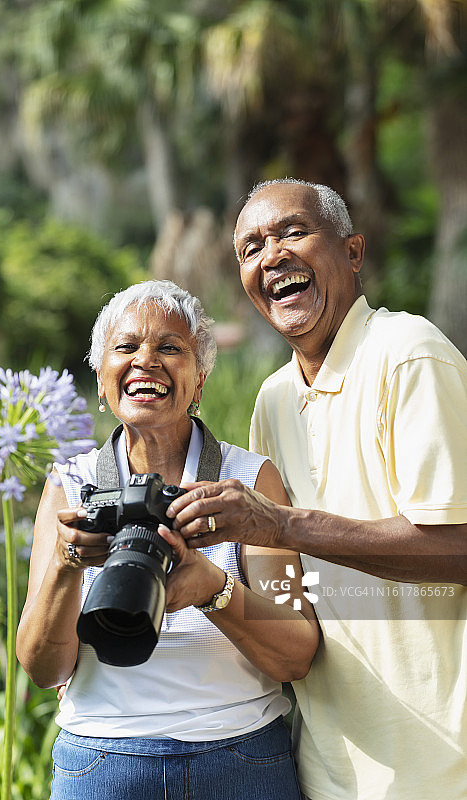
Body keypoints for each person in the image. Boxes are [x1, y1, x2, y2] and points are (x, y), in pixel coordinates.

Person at [166, 178, 467, 800]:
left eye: (293, 233)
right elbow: (285, 588)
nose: (271, 256)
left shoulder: (409, 353)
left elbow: (458, 548)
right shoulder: (274, 397)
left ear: (353, 252)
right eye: (251, 248)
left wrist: (279, 525)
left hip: (441, 765)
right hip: (328, 769)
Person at [16, 279, 320, 800]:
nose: (146, 361)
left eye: (170, 348)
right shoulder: (70, 486)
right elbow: (43, 669)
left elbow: (295, 655)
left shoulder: (246, 482)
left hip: (239, 755)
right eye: (126, 347)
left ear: (199, 381)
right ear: (102, 377)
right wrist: (69, 565)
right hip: (101, 761)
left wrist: (211, 590)